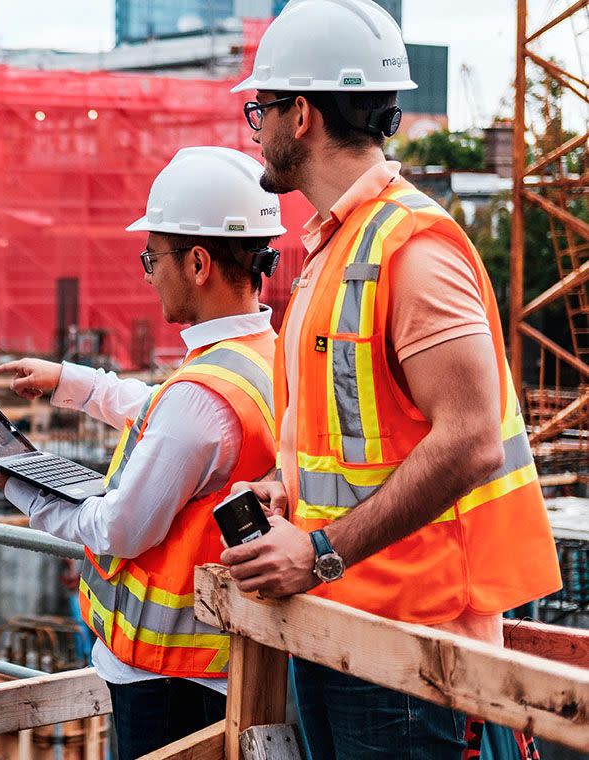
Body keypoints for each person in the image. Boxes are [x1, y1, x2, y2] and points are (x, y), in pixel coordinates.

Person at [217, 2, 563, 759]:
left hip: (413, 651)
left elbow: (470, 443)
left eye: (262, 109)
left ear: (300, 113)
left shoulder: (414, 248)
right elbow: (360, 437)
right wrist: (292, 496)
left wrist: (321, 551)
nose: (257, 128)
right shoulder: (337, 249)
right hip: (348, 625)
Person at [0, 146, 284, 760]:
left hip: (170, 680)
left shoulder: (200, 399)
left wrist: (14, 481)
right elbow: (169, 416)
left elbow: (115, 529)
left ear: (196, 263)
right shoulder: (260, 355)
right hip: (217, 669)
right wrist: (70, 382)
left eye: (152, 257)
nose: (148, 273)